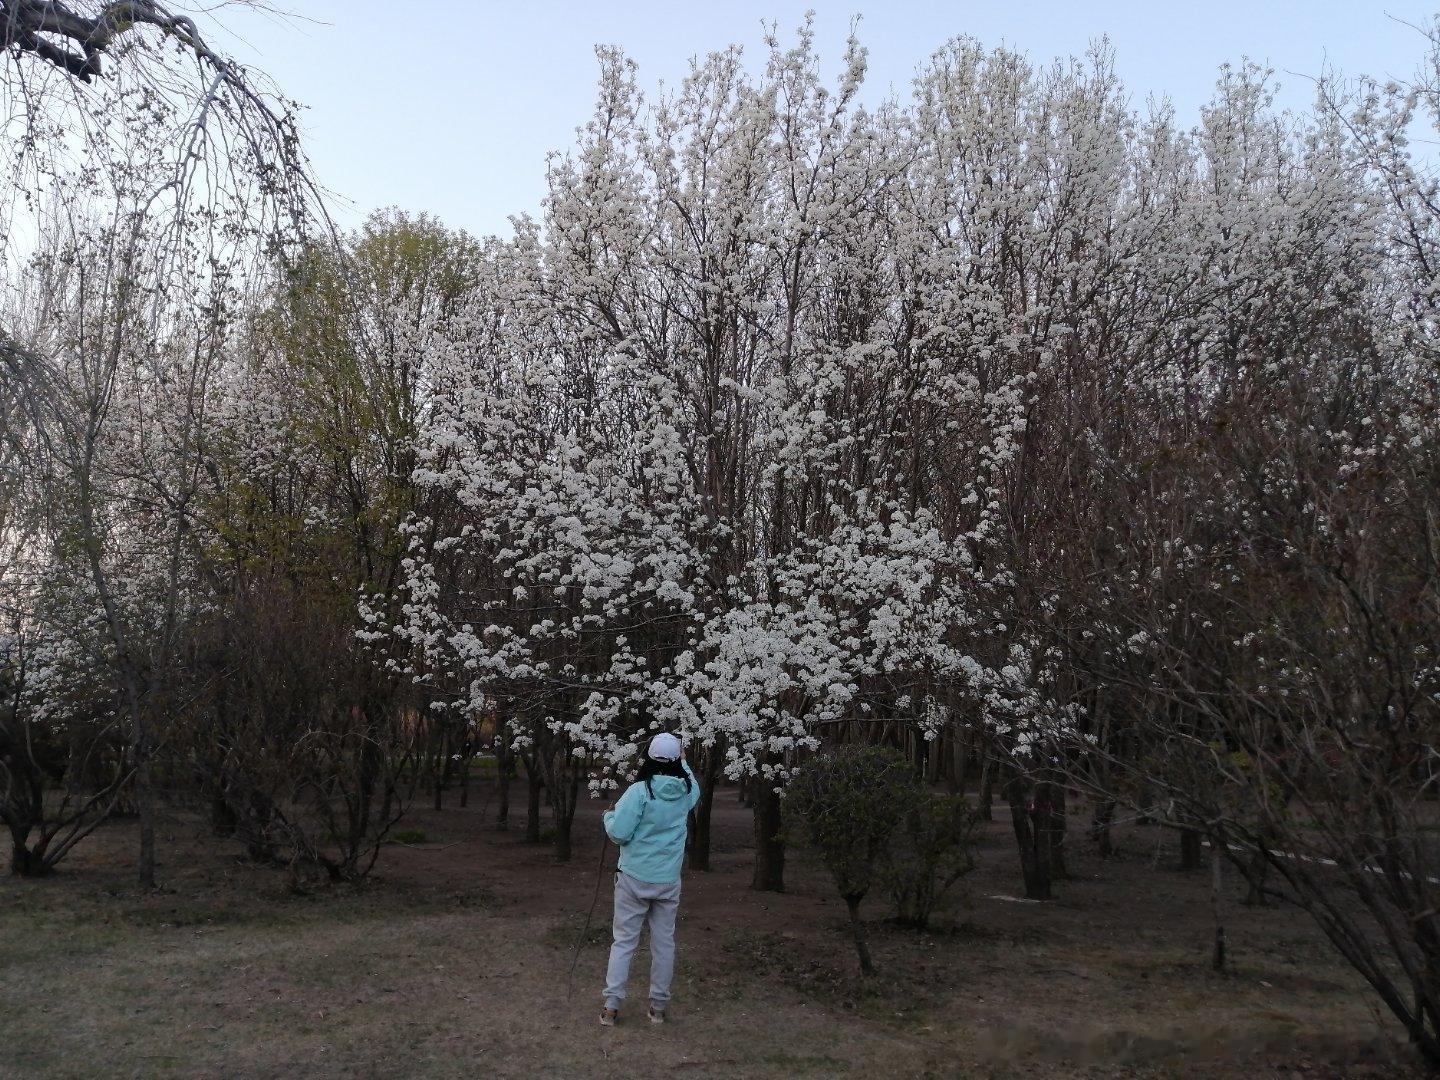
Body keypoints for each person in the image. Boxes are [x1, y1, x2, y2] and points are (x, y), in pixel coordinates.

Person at [600, 731, 701, 1026]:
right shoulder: (685, 792)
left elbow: (619, 833)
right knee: (664, 943)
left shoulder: (639, 792)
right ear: (676, 761)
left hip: (633, 877)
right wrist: (685, 760)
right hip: (667, 880)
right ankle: (657, 1007)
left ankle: (611, 1006)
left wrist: (607, 816)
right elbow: (694, 784)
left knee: (624, 942)